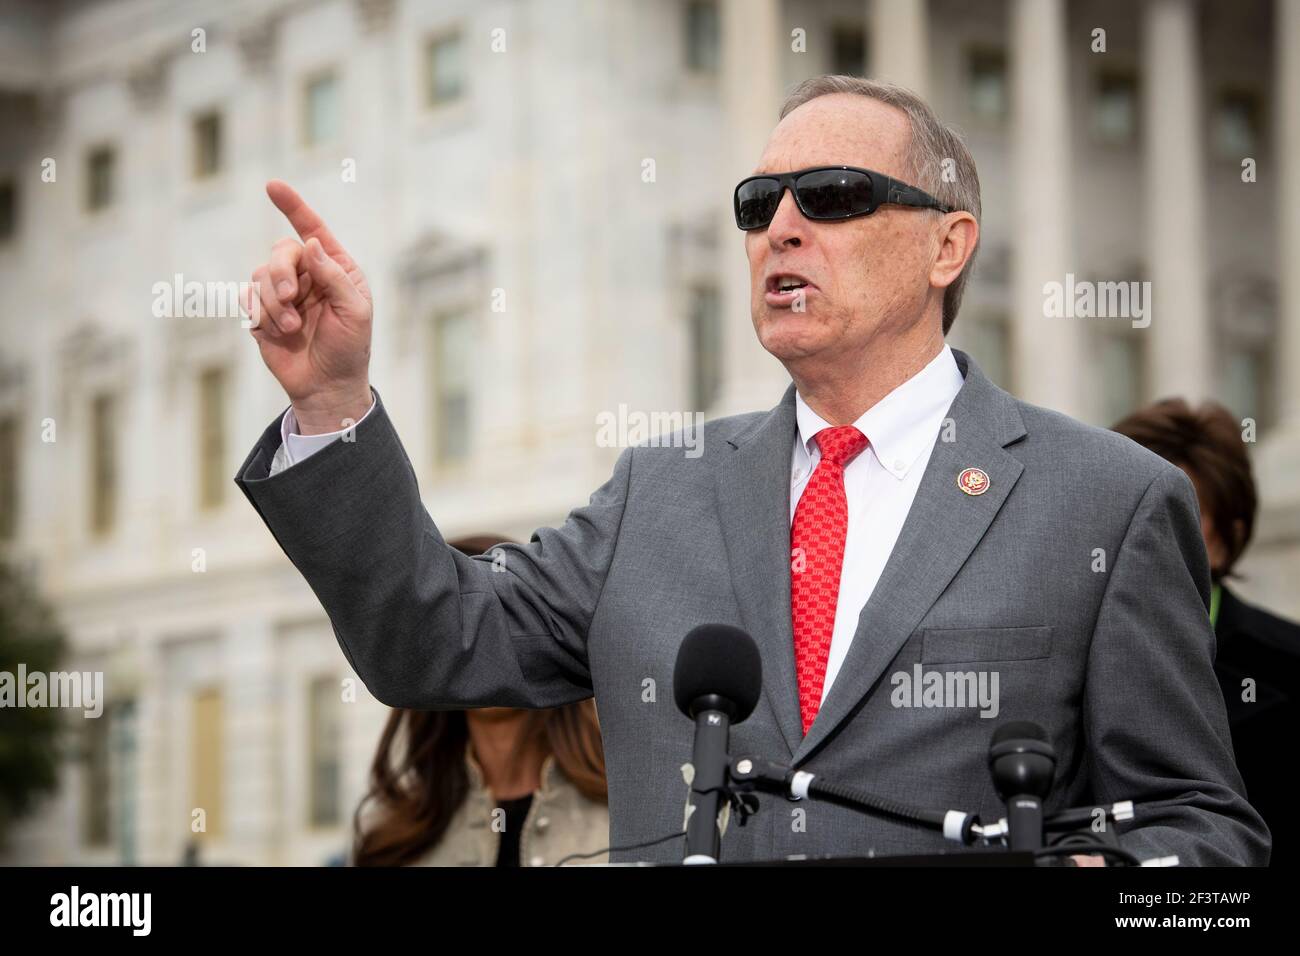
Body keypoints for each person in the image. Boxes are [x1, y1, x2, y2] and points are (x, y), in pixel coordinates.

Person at [235, 75, 1268, 865]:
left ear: (947, 245)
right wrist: (330, 404)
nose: (780, 224)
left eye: (831, 195)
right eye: (757, 200)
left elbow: (1202, 822)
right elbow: (433, 638)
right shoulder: (657, 489)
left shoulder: (1110, 498)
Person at [1113, 398, 1300, 866]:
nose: (1138, 537)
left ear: (1227, 538)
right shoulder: (1059, 652)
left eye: (1174, 516)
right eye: (1122, 512)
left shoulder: (1287, 666)